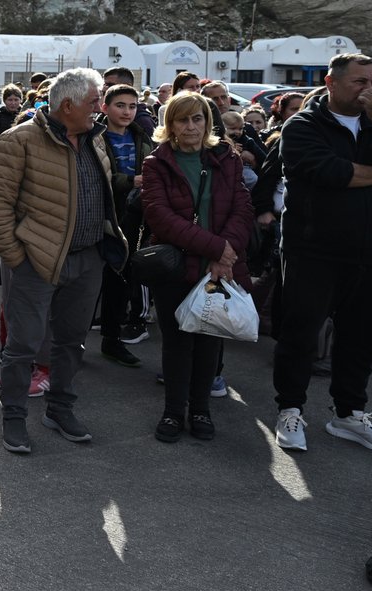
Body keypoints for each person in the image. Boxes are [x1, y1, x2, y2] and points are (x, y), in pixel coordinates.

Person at [0, 68, 128, 454]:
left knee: (71, 342)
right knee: (23, 345)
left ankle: (59, 409)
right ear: (67, 105)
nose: (101, 108)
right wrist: (17, 257)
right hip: (36, 262)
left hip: (88, 259)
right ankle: (14, 418)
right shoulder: (18, 141)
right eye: (95, 101)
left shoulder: (94, 140)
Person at [272, 53, 372, 453]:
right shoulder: (302, 125)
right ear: (331, 82)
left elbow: (348, 173)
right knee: (301, 334)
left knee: (365, 336)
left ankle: (349, 414)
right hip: (314, 251)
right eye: (360, 81)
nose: (369, 89)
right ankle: (290, 409)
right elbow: (329, 173)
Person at [141, 92, 254, 442]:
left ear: (208, 122)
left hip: (219, 266)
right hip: (177, 267)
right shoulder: (156, 163)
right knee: (177, 342)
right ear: (170, 124)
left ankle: (201, 409)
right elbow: (161, 217)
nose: (191, 126)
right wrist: (219, 248)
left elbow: (242, 208)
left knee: (210, 343)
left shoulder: (226, 158)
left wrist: (224, 254)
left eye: (198, 118)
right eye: (182, 119)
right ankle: (174, 412)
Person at [98, 84, 156, 368]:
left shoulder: (141, 136)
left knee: (120, 280)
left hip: (133, 217)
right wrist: (129, 181)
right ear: (104, 108)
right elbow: (95, 177)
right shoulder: (93, 137)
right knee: (87, 281)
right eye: (120, 105)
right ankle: (69, 341)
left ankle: (112, 339)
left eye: (132, 106)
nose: (127, 111)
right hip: (99, 216)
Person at [102, 66, 156, 135]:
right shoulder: (100, 118)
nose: (104, 89)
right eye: (104, 85)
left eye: (110, 85)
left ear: (127, 86)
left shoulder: (143, 122)